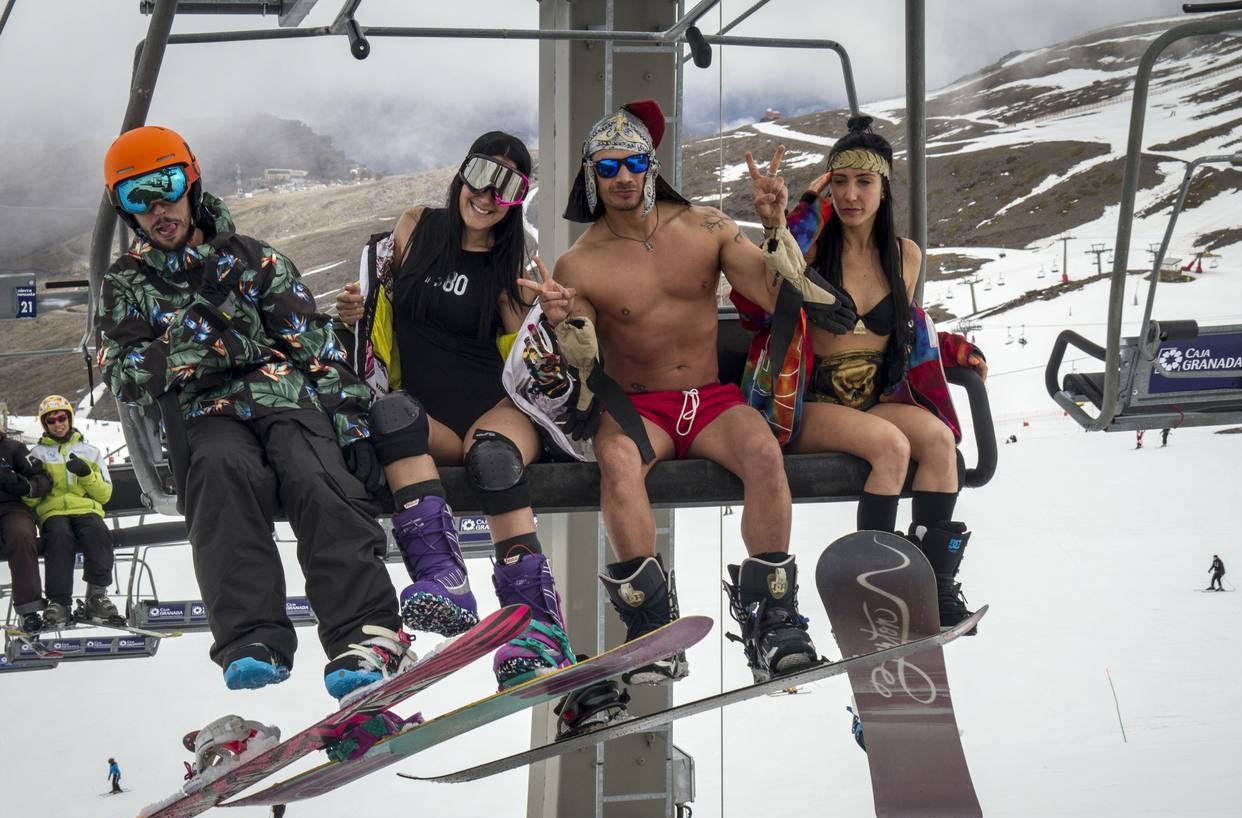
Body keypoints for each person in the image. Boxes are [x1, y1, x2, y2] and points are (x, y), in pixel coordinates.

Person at [98, 124, 420, 700]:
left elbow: (315, 348)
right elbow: (123, 373)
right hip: (206, 411)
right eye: (135, 198)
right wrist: (190, 339)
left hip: (284, 397)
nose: (157, 210)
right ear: (124, 210)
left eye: (166, 186)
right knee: (221, 476)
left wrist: (352, 426)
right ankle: (252, 636)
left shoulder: (254, 261)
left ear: (191, 183)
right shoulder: (129, 284)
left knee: (316, 477)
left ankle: (363, 632)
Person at [548, 100, 854, 684]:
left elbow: (771, 295)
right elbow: (583, 355)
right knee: (616, 460)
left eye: (632, 162)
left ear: (650, 164)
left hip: (710, 400)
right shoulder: (578, 261)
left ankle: (773, 618)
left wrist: (772, 225)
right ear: (591, 173)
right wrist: (565, 320)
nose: (621, 178)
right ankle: (653, 628)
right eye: (606, 167)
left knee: (764, 453)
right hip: (639, 407)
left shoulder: (706, 226)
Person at [333, 131, 579, 691]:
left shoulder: (510, 259)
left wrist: (552, 321)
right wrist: (355, 310)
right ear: (462, 174)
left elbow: (527, 357)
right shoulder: (417, 226)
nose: (489, 196)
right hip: (430, 413)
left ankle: (536, 626)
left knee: (493, 460)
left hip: (495, 407)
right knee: (392, 416)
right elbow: (378, 302)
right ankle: (443, 579)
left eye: (508, 187)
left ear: (519, 199)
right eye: (482, 175)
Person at [729, 116, 988, 633]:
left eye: (864, 182)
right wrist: (786, 216)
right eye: (840, 182)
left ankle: (933, 583)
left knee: (938, 442)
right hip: (809, 403)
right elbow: (763, 292)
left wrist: (954, 348)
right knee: (890, 447)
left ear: (884, 187)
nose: (851, 195)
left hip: (874, 396)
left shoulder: (904, 256)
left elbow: (910, 326)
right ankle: (876, 586)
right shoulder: (810, 251)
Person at [26, 395, 119, 628]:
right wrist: (35, 483)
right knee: (58, 537)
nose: (58, 424)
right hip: (53, 511)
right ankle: (58, 603)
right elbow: (27, 497)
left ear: (70, 418)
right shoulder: (36, 455)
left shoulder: (90, 452)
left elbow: (104, 494)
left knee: (98, 533)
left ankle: (97, 595)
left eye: (62, 418)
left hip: (86, 509)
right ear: (44, 424)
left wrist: (86, 475)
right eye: (52, 421)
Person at [0, 425, 51, 634]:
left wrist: (22, 485)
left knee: (21, 535)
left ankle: (29, 610)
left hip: (12, 507)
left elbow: (42, 478)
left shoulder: (13, 448)